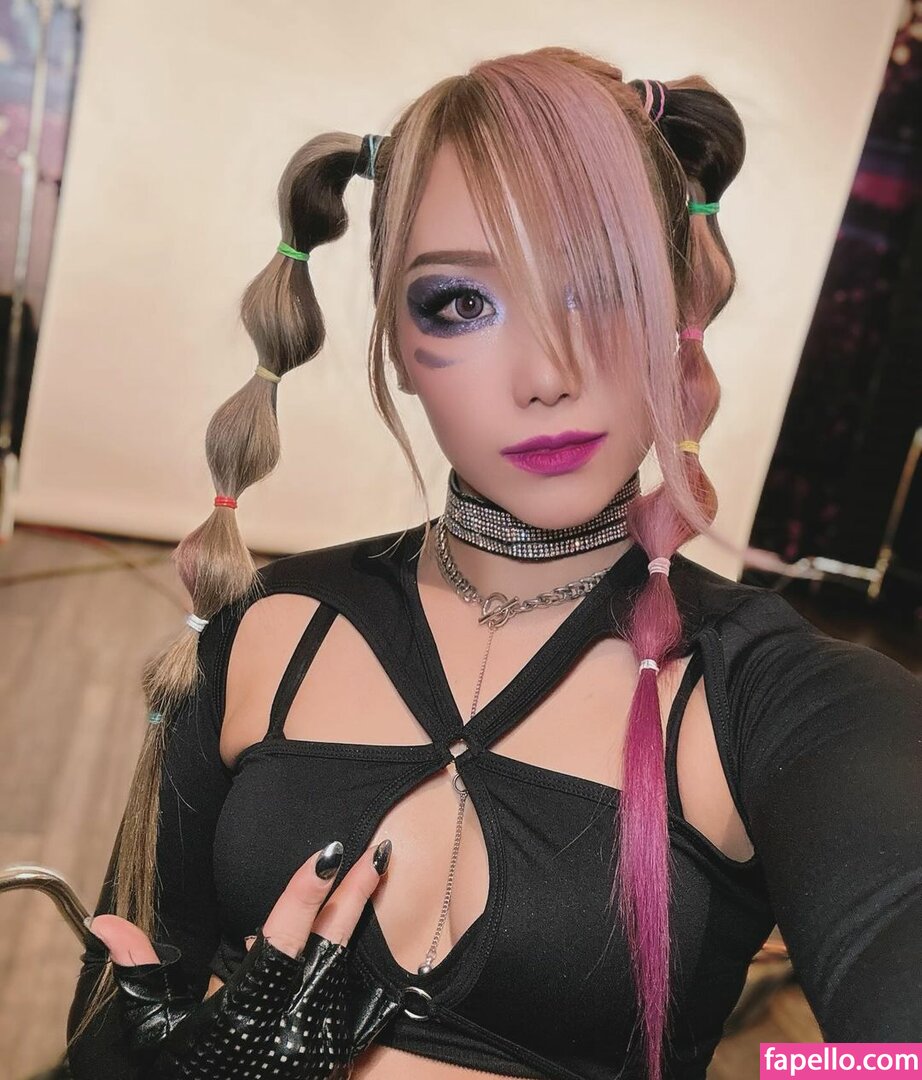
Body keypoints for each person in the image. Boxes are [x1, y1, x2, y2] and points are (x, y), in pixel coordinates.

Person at [65, 46, 922, 1080]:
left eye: (604, 288)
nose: (545, 375)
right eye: (461, 303)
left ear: (676, 313)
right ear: (395, 343)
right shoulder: (261, 630)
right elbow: (107, 1021)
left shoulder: (784, 699)